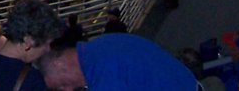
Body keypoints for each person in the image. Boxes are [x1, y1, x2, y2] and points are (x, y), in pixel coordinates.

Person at [37, 34, 196, 91]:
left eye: (62, 85)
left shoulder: (103, 74)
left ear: (60, 65)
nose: (69, 90)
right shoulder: (99, 47)